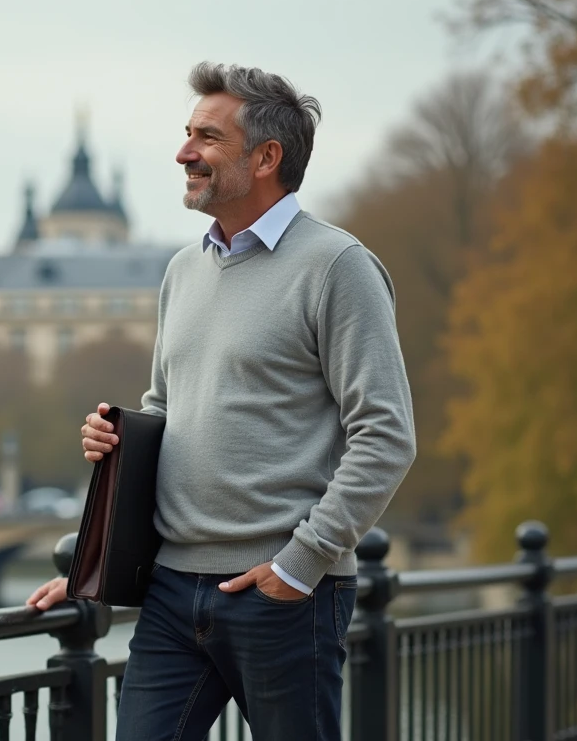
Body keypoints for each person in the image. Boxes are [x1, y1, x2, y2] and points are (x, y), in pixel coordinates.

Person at [26, 62, 416, 740]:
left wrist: (299, 566)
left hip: (282, 593)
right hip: (170, 593)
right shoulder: (182, 270)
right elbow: (163, 413)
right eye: (187, 134)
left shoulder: (338, 266)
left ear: (266, 158)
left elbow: (386, 434)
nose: (184, 152)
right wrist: (100, 558)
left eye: (207, 137)